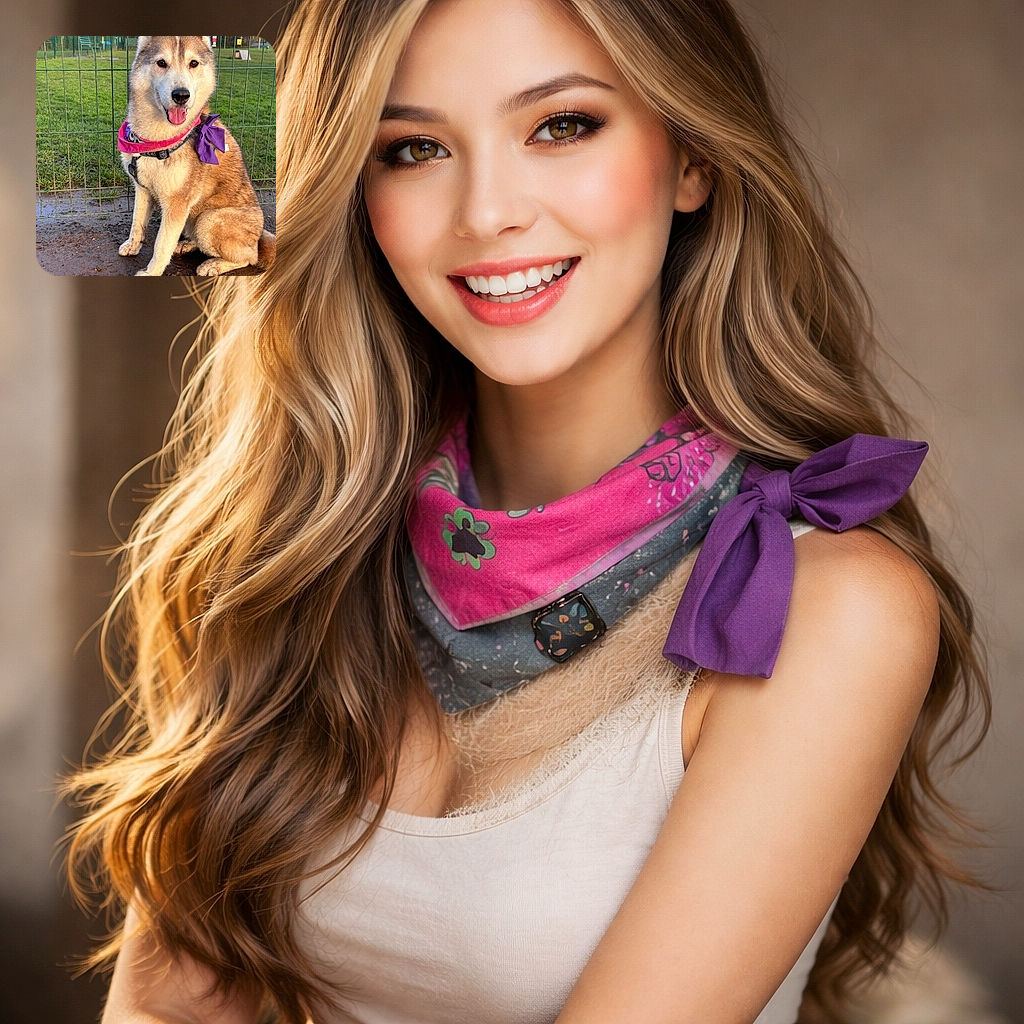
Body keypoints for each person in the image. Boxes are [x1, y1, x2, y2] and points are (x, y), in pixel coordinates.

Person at [68, 1, 990, 1022]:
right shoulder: (296, 538)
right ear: (353, 191)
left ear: (691, 158)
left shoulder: (834, 600)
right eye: (413, 147)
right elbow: (168, 1004)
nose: (488, 213)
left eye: (561, 126)